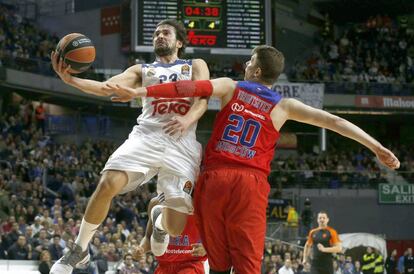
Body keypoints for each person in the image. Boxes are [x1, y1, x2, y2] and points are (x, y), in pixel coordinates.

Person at [106, 45, 400, 274]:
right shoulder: (284, 106)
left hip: (215, 179)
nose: (245, 64)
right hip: (250, 183)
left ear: (257, 71)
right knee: (248, 266)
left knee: (218, 265)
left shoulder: (230, 86)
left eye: (249, 61)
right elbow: (334, 122)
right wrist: (376, 147)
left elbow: (188, 88)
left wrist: (140, 91)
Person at [49, 18, 209, 274]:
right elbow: (106, 87)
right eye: (156, 33)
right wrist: (71, 81)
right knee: (107, 183)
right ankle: (79, 250)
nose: (159, 36)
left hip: (182, 142)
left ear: (179, 42)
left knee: (176, 226)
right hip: (147, 136)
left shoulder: (195, 65)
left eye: (165, 33)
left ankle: (158, 219)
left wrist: (188, 118)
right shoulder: (142, 70)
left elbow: (202, 97)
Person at [133, 196, 207, 274]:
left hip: (191, 264)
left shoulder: (203, 205)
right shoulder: (156, 203)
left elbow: (218, 238)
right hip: (164, 266)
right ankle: (160, 225)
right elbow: (148, 237)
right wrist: (141, 249)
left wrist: (207, 249)